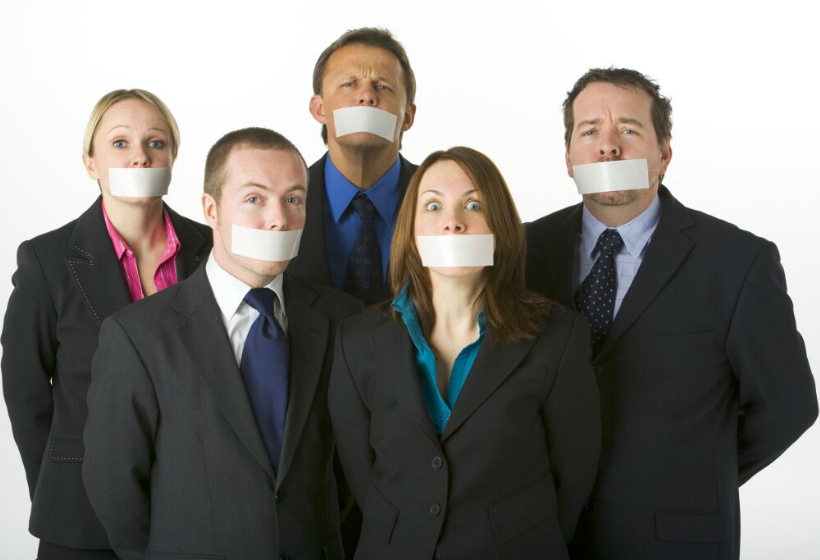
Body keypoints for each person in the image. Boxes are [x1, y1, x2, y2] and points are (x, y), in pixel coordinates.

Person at [525, 67, 818, 560]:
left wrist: (699, 474)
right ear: (569, 158)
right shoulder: (524, 252)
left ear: (664, 154)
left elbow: (789, 405)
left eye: (629, 129)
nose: (608, 146)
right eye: (589, 131)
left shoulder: (738, 262)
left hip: (678, 539)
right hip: (548, 537)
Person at [82, 127, 362, 559]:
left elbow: (351, 469)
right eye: (254, 199)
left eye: (293, 199)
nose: (278, 219)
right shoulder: (138, 336)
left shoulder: (341, 319)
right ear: (211, 210)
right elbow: (116, 489)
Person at [329, 146, 600, 559]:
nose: (453, 222)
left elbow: (572, 477)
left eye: (473, 205)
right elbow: (364, 479)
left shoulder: (558, 337)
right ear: (411, 231)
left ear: (499, 228)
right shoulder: (357, 340)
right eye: (433, 206)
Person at [1, 89, 211, 559]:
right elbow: (24, 391)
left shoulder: (214, 250)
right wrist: (56, 490)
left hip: (196, 509)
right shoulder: (47, 260)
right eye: (120, 143)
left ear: (172, 158)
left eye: (156, 142)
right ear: (90, 163)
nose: (140, 156)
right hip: (81, 517)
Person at [289, 27, 418, 304]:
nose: (366, 97)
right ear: (319, 108)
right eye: (349, 84)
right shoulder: (276, 204)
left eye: (383, 87)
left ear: (407, 116)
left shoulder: (444, 201)